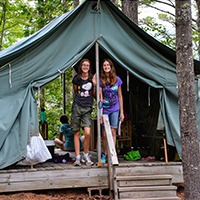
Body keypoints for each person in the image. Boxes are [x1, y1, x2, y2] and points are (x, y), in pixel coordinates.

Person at [70, 58, 96, 166]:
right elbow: (76, 91)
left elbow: (94, 94)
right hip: (77, 106)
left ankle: (86, 154)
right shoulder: (76, 79)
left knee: (87, 133)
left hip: (87, 108)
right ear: (81, 66)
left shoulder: (91, 79)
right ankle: (77, 157)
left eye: (87, 65)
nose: (85, 67)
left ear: (89, 67)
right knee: (76, 132)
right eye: (84, 65)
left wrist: (94, 84)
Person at [100, 58, 124, 163]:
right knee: (105, 133)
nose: (106, 67)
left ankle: (112, 154)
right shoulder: (101, 80)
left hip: (115, 109)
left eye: (108, 65)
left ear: (111, 67)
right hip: (105, 109)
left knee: (113, 131)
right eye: (104, 65)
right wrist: (100, 113)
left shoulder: (117, 79)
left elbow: (120, 96)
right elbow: (100, 98)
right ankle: (105, 153)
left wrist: (122, 112)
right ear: (103, 68)